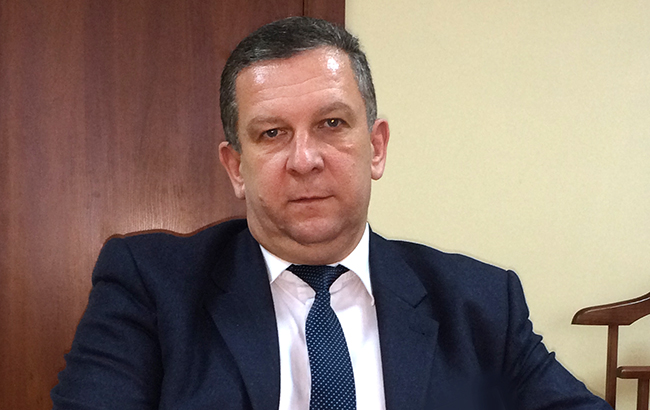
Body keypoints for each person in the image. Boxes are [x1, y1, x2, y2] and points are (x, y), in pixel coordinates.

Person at [51, 16, 612, 410]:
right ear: (236, 168)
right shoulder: (150, 287)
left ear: (377, 147)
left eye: (332, 124)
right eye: (272, 133)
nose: (304, 160)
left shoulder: (480, 304)